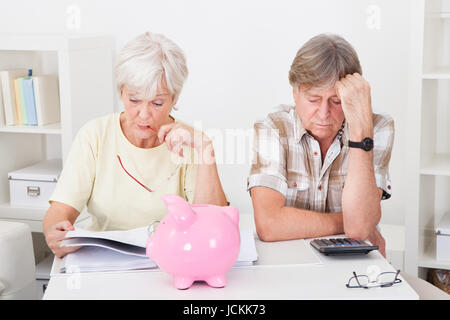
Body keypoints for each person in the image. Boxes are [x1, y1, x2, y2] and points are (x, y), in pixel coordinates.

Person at [43, 32, 228, 258]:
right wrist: (57, 232)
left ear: (175, 98)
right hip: (104, 262)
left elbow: (213, 224)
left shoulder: (189, 141)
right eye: (134, 100)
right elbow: (59, 211)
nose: (144, 114)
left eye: (157, 103)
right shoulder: (95, 135)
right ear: (121, 91)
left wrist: (204, 146)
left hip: (171, 262)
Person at [247, 34, 394, 257]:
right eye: (314, 100)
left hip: (353, 264)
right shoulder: (273, 128)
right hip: (289, 261)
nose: (324, 113)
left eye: (337, 101)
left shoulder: (377, 128)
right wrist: (347, 221)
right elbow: (269, 225)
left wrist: (361, 131)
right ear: (295, 94)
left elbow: (360, 229)